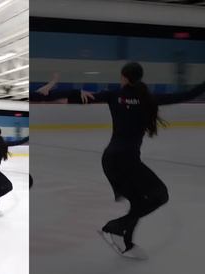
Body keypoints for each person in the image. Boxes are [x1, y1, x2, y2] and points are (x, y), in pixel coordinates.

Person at [69, 62, 205, 259]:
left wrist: (74, 91)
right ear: (139, 77)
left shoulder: (113, 95)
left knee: (139, 201)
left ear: (124, 77)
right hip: (126, 161)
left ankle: (126, 241)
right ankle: (114, 228)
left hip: (111, 161)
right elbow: (188, 95)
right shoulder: (148, 98)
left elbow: (78, 98)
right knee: (160, 195)